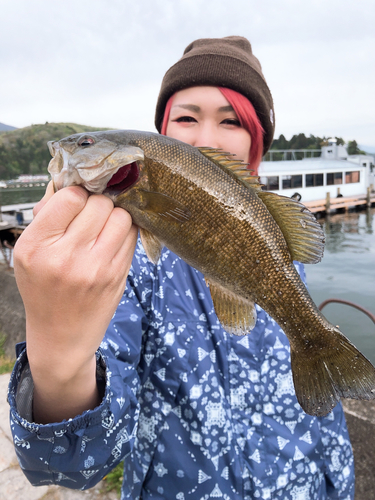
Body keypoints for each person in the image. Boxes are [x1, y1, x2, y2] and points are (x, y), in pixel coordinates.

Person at [8, 36, 354, 499]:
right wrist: (57, 356)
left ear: (259, 140)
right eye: (187, 118)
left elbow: (325, 422)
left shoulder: (271, 245)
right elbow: (67, 467)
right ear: (159, 135)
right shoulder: (123, 269)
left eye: (231, 121)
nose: (206, 137)